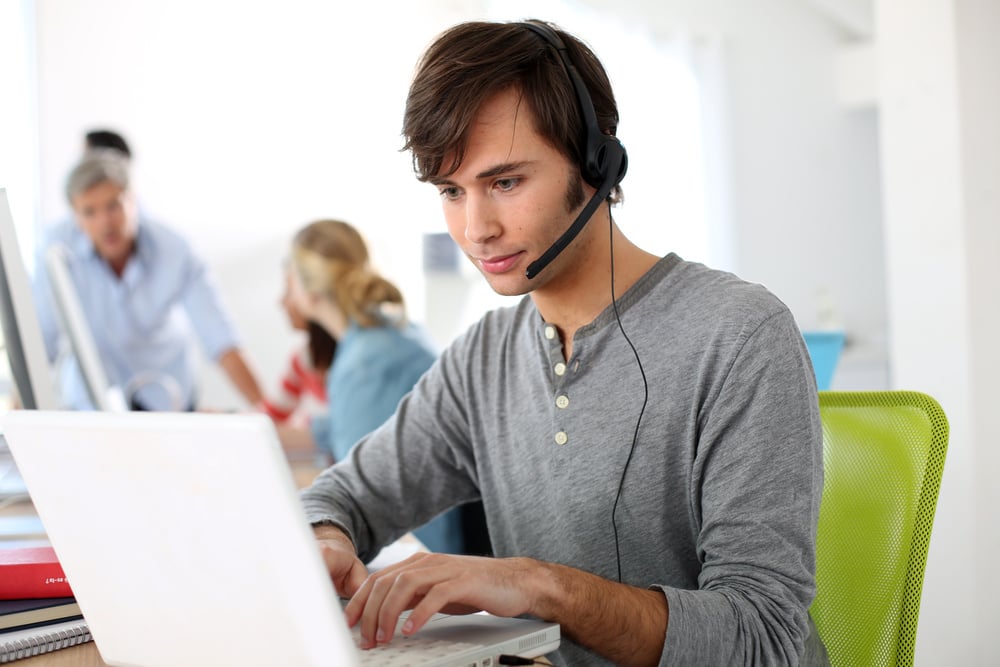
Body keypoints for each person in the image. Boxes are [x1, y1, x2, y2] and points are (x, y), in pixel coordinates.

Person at [300, 19, 827, 666]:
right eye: (450, 191)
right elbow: (338, 497)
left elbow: (764, 637)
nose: (476, 229)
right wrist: (325, 539)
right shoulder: (483, 360)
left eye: (505, 182)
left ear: (597, 163)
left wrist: (539, 586)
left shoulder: (740, 336)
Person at [285, 219, 468, 555]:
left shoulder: (365, 363)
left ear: (308, 291)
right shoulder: (385, 333)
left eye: (290, 278)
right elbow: (382, 428)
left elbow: (359, 483)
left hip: (418, 551)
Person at [32, 149, 265, 411]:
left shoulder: (174, 250)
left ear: (133, 200)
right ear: (75, 215)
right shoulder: (54, 252)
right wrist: (21, 416)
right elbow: (41, 341)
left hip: (168, 401)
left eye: (113, 206)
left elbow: (221, 338)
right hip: (93, 407)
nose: (105, 223)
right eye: (89, 212)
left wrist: (267, 413)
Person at [259, 264, 336, 429]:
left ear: (314, 294)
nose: (280, 302)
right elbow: (271, 416)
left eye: (289, 291)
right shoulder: (303, 359)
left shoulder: (354, 360)